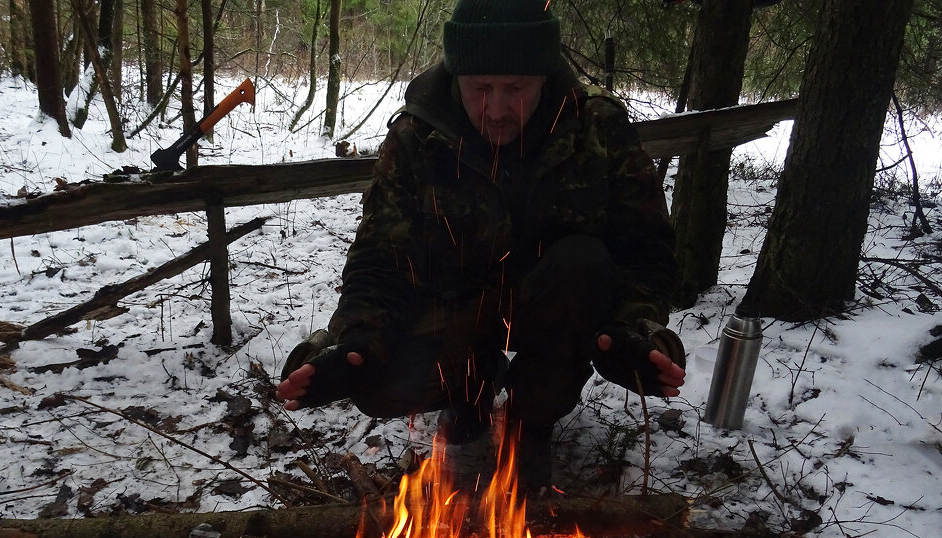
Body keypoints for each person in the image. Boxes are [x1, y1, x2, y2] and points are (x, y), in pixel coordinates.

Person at [276, 0, 686, 492]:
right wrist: (351, 342)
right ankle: (470, 392)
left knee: (583, 262)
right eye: (480, 88)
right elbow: (378, 260)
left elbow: (645, 249)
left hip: (553, 305)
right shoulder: (416, 136)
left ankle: (529, 420)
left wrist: (635, 330)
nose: (495, 110)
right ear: (456, 77)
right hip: (456, 309)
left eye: (515, 89)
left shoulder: (597, 126)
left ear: (544, 77)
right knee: (381, 381)